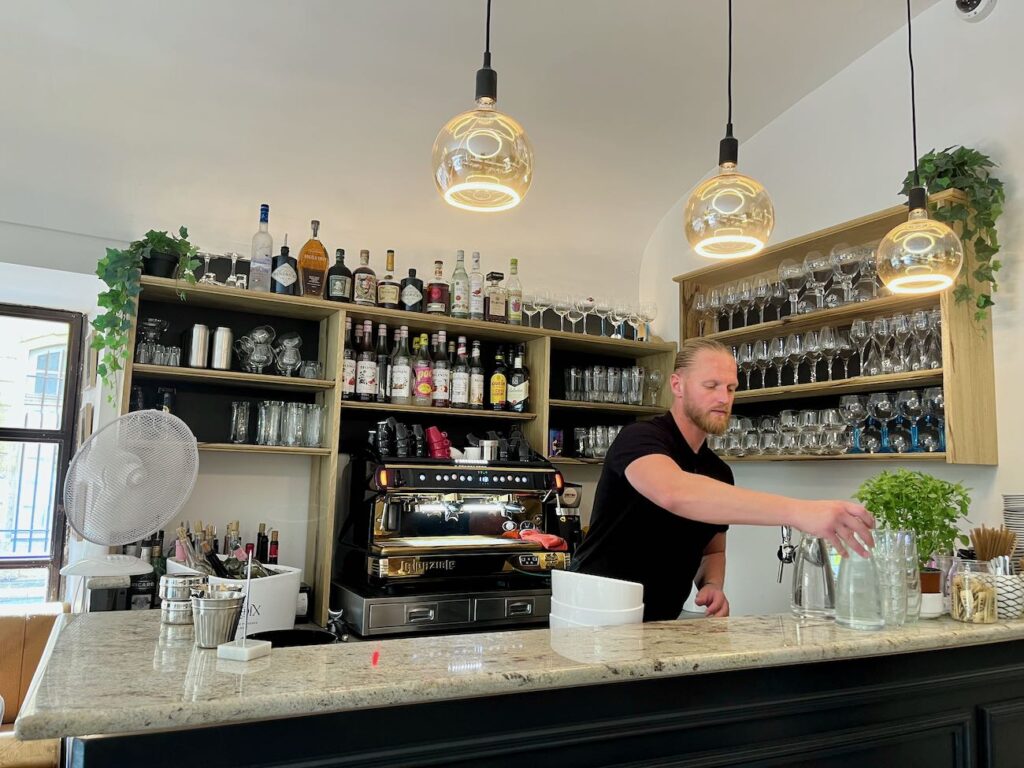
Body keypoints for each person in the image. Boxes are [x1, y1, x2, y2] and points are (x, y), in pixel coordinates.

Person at [572, 337, 875, 622]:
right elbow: (673, 492)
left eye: (730, 388)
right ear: (678, 385)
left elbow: (712, 550)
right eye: (711, 385)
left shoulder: (717, 471)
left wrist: (713, 584)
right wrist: (799, 511)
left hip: (661, 620)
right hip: (595, 612)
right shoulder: (639, 438)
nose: (723, 398)